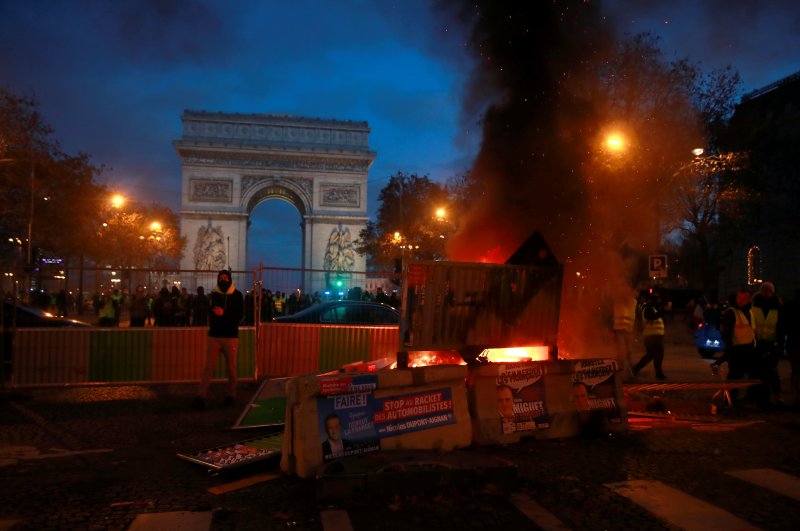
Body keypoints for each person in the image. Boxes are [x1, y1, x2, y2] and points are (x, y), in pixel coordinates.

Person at [192, 269, 244, 410]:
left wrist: (223, 313)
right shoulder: (214, 295)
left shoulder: (237, 295)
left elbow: (239, 315)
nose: (223, 280)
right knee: (208, 368)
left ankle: (231, 395)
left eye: (225, 278)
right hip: (214, 336)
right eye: (221, 278)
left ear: (230, 279)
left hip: (230, 337)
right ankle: (201, 396)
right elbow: (211, 313)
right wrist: (215, 315)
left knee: (231, 368)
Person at [712, 288, 758, 408]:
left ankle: (746, 398)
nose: (741, 301)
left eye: (744, 299)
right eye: (739, 298)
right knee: (734, 376)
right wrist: (730, 348)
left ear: (749, 299)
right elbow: (727, 333)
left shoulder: (750, 311)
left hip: (748, 349)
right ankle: (730, 401)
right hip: (737, 350)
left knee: (748, 375)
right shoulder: (731, 312)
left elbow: (751, 330)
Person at [750, 281, 784, 406]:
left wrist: (779, 343)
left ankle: (774, 394)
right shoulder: (754, 304)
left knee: (771, 370)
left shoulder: (777, 307)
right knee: (759, 370)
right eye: (764, 291)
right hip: (758, 342)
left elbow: (780, 326)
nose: (766, 293)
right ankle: (762, 395)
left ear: (772, 292)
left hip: (770, 343)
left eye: (768, 291)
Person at [631, 292, 667, 379]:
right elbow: (651, 316)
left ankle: (635, 369)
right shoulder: (647, 308)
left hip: (653, 337)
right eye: (657, 300)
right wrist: (662, 310)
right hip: (652, 337)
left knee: (651, 355)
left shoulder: (652, 308)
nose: (658, 302)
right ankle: (658, 374)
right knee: (657, 355)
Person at [611, 287, 639, 375]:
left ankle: (627, 370)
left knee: (626, 351)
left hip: (625, 330)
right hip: (620, 330)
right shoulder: (621, 301)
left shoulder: (631, 302)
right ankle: (623, 369)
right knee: (622, 352)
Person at [783, 289, 800, 409]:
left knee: (796, 371)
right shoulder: (790, 307)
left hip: (793, 343)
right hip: (795, 343)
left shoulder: (789, 307)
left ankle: (796, 397)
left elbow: (785, 325)